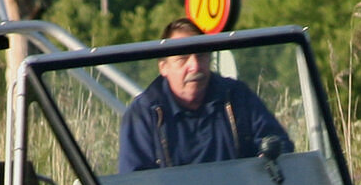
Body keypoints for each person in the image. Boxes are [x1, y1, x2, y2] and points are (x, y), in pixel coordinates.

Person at [117, 18, 293, 173]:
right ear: (163, 67)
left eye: (201, 55)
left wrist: (266, 158)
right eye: (183, 58)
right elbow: (135, 184)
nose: (195, 66)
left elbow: (280, 147)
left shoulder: (237, 97)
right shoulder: (143, 115)